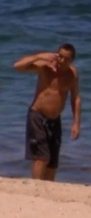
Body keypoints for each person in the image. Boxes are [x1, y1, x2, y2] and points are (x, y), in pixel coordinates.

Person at [13, 43, 81, 181]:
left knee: (52, 163)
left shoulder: (72, 73)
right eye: (59, 56)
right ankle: (36, 189)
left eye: (65, 59)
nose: (61, 60)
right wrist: (38, 56)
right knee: (41, 158)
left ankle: (48, 193)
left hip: (55, 119)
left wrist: (76, 123)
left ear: (71, 61)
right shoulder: (45, 67)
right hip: (37, 116)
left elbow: (75, 98)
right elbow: (18, 66)